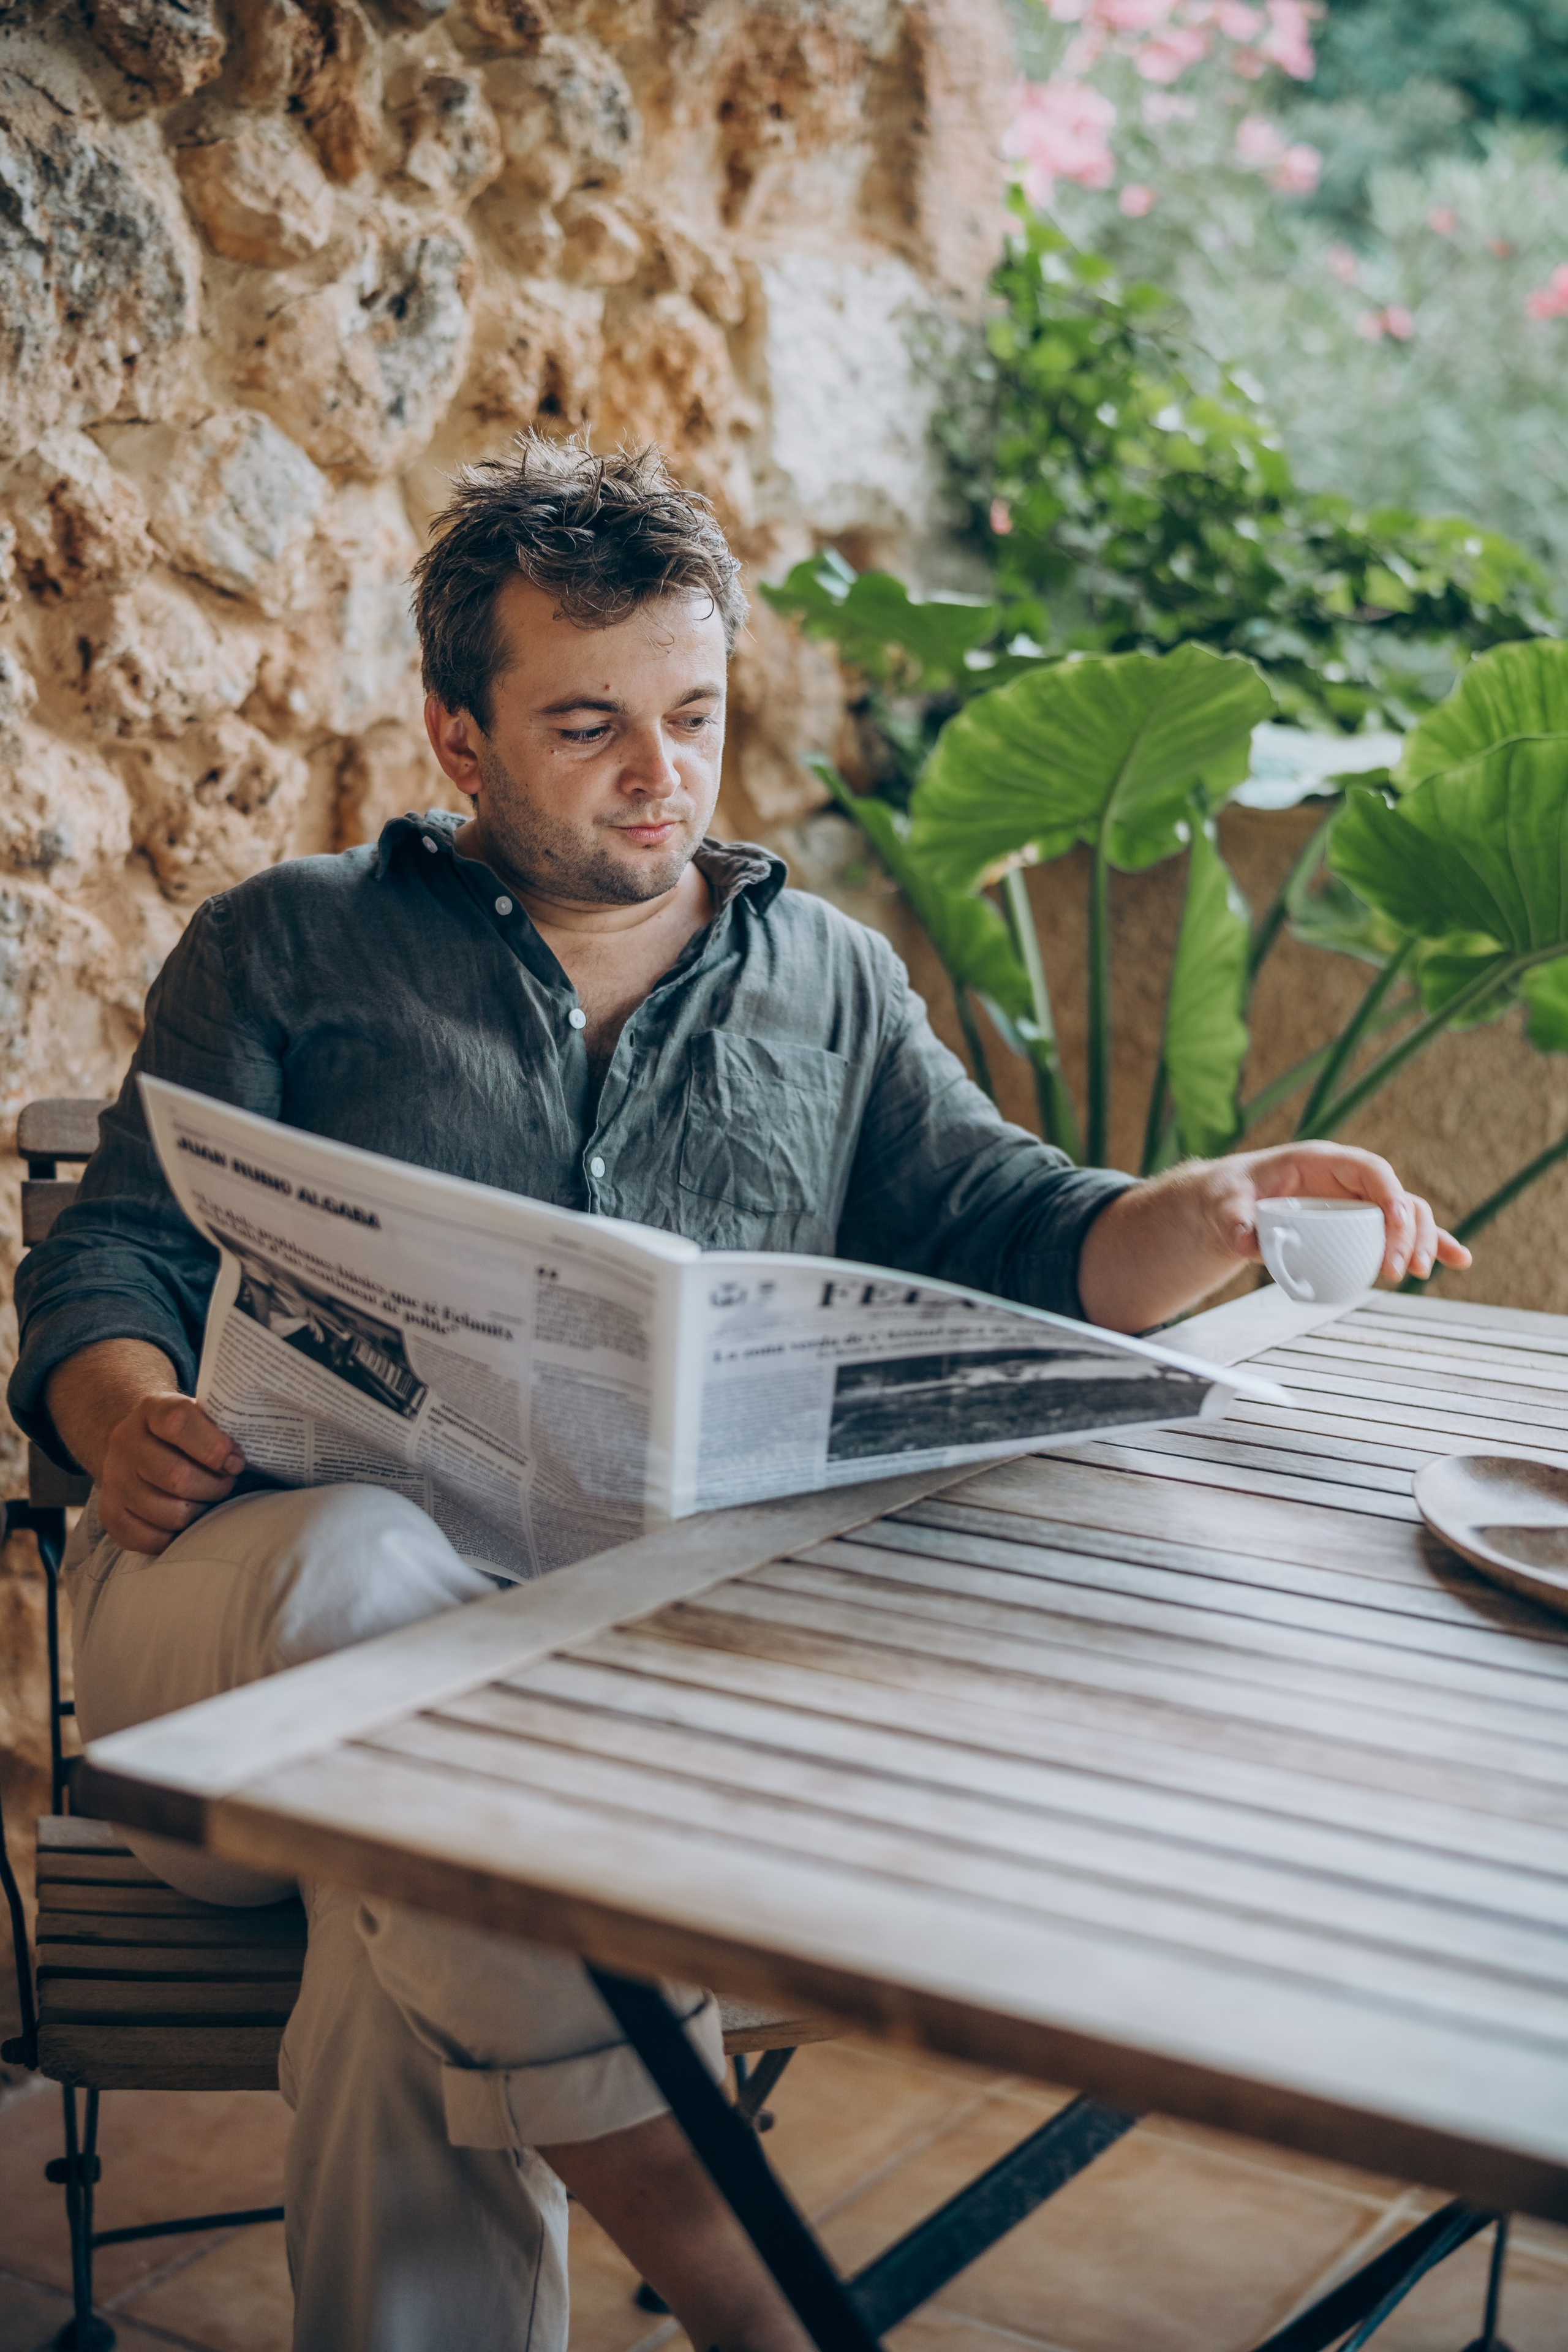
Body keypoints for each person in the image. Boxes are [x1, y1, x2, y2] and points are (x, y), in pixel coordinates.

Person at [10, 435, 1469, 2351]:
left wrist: (1205, 1209)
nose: (661, 775)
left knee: (415, 1938)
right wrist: (125, 1415)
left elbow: (1015, 1229)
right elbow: (110, 1253)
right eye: (591, 726)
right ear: (460, 743)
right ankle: (744, 2289)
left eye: (693, 717)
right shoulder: (290, 944)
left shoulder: (828, 984)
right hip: (222, 1657)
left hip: (575, 1734)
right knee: (360, 1564)